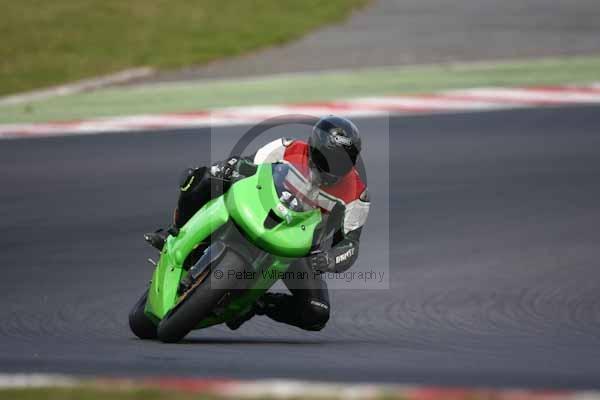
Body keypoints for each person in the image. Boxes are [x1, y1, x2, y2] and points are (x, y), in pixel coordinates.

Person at [145, 115, 370, 331]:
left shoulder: (357, 195)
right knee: (203, 177)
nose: (332, 167)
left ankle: (258, 304)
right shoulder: (287, 148)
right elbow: (247, 164)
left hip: (298, 249)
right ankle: (175, 231)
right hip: (256, 208)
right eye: (326, 158)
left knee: (317, 311)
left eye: (341, 162)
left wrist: (330, 259)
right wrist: (230, 168)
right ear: (312, 147)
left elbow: (351, 244)